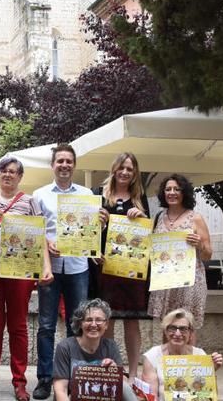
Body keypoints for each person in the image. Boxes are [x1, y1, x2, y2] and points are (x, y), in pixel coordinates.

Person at [0, 157, 53, 401]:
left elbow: (40, 238)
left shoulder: (29, 201)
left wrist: (46, 268)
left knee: (18, 327)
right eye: (5, 171)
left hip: (21, 272)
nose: (9, 175)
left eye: (14, 172)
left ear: (20, 177)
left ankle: (19, 383)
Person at [31, 144, 97, 400]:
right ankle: (45, 379)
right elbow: (35, 231)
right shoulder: (38, 195)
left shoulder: (86, 194)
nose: (65, 165)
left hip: (78, 267)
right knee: (46, 326)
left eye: (69, 161)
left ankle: (72, 378)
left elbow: (91, 230)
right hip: (50, 269)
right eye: (60, 161)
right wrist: (46, 243)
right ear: (53, 165)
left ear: (74, 165)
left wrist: (99, 220)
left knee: (76, 325)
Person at [91, 152, 150, 379]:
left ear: (135, 173)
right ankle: (112, 370)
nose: (125, 172)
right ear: (114, 169)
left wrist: (142, 216)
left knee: (132, 320)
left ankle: (134, 374)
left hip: (133, 270)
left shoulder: (140, 198)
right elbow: (87, 231)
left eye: (130, 169)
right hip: (105, 268)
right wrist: (94, 248)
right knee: (108, 319)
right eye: (122, 168)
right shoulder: (99, 195)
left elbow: (147, 232)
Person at [148, 174, 212, 340]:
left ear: (184, 193)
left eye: (177, 189)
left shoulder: (195, 218)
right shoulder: (159, 217)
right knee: (167, 325)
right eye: (168, 189)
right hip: (165, 282)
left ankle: (187, 364)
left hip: (189, 282)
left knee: (186, 326)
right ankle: (168, 365)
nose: (172, 192)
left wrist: (199, 245)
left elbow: (207, 255)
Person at [52, 298, 137, 401]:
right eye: (88, 320)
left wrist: (115, 373)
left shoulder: (110, 346)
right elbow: (60, 389)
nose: (93, 324)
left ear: (106, 325)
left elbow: (123, 385)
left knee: (124, 386)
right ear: (80, 324)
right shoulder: (65, 347)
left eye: (99, 320)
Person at [141, 309, 223, 401]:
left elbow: (209, 395)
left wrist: (212, 371)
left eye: (183, 329)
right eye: (172, 328)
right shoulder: (152, 356)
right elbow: (151, 397)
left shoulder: (199, 355)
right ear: (165, 331)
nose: (177, 333)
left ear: (191, 333)